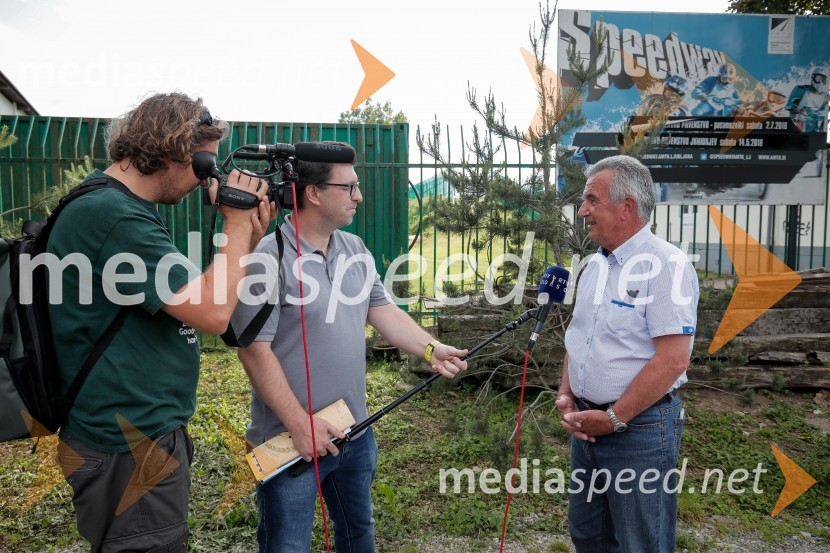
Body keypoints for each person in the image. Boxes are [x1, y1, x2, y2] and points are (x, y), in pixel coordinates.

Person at [50, 92, 274, 551]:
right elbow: (212, 312)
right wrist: (233, 224)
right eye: (204, 165)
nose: (206, 180)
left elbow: (204, 299)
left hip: (133, 435)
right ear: (171, 151)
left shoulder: (117, 208)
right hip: (129, 442)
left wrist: (246, 236)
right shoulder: (113, 218)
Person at [231, 141, 469, 553]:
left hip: (355, 433)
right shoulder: (267, 258)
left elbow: (383, 311)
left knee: (359, 537)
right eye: (350, 187)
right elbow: (253, 349)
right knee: (285, 546)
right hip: (291, 442)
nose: (359, 195)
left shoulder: (354, 248)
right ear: (314, 192)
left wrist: (431, 349)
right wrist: (299, 424)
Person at [555, 155, 699, 553]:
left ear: (627, 206)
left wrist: (614, 418)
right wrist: (568, 392)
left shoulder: (666, 266)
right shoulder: (595, 266)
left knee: (641, 543)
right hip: (588, 427)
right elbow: (580, 334)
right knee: (589, 535)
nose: (582, 210)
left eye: (591, 200)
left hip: (640, 431)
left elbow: (673, 360)